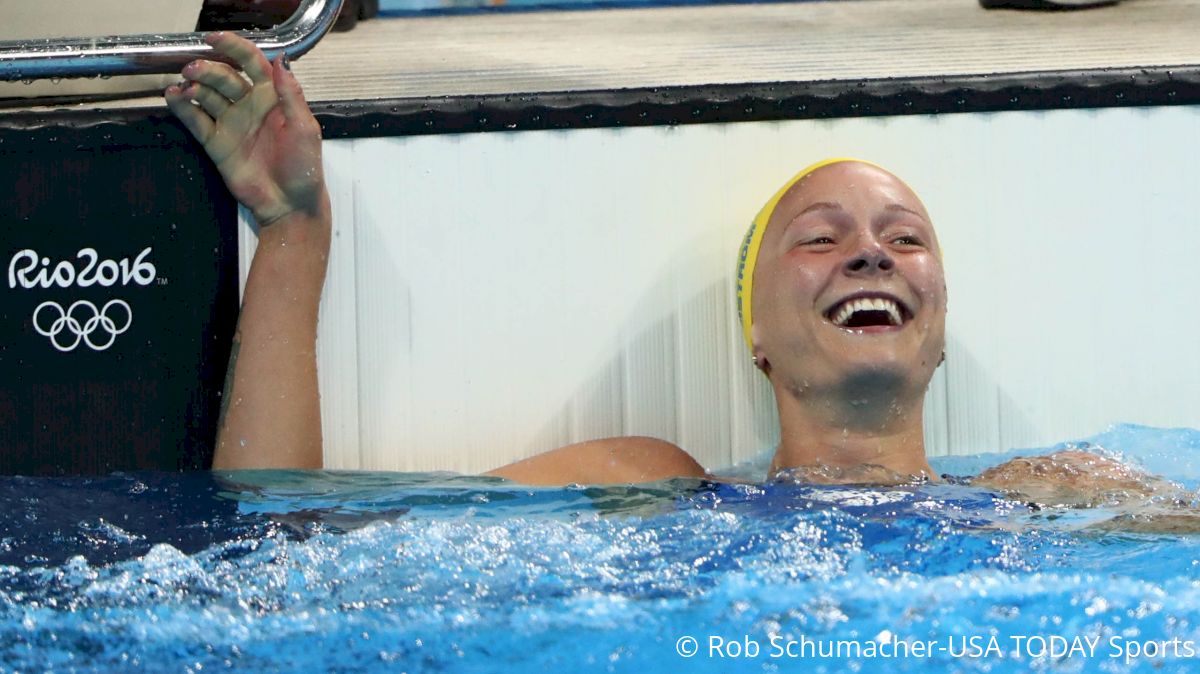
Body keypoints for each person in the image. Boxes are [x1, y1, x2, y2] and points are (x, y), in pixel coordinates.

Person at [166, 33, 1189, 516]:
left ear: (939, 326)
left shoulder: (1045, 495)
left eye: (904, 237)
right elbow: (282, 530)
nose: (871, 252)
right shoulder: (654, 485)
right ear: (755, 330)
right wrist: (293, 233)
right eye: (821, 237)